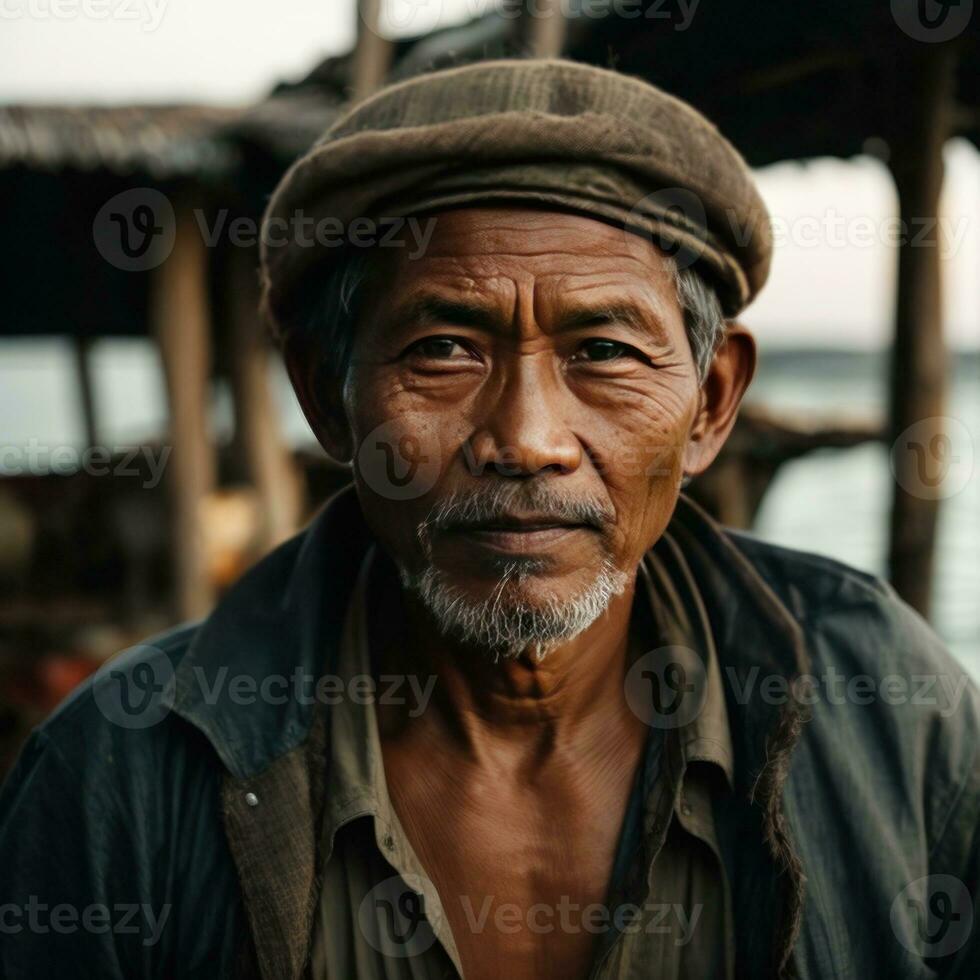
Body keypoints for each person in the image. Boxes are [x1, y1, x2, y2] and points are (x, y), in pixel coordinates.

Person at [1, 58, 977, 980]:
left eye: (601, 349)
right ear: (325, 398)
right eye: (442, 348)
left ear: (712, 403)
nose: (525, 437)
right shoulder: (117, 776)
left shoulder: (885, 700)